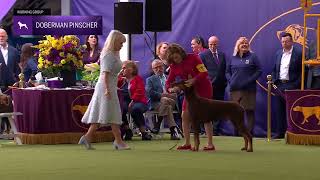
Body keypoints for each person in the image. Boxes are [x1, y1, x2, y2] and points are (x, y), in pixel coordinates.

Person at [78, 30, 129, 150]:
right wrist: (107, 89)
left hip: (110, 86)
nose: (122, 46)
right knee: (112, 114)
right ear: (114, 41)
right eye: (120, 43)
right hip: (105, 87)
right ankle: (118, 141)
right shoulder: (107, 54)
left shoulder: (114, 54)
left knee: (105, 114)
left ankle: (87, 137)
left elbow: (112, 72)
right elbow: (105, 74)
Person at [165, 43, 214, 151]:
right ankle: (187, 143)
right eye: (173, 59)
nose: (176, 60)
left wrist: (194, 80)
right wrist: (171, 89)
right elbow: (168, 83)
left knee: (206, 116)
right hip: (190, 92)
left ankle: (210, 144)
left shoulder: (193, 58)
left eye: (177, 57)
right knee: (185, 115)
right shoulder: (173, 66)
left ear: (180, 53)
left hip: (203, 88)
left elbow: (204, 72)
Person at [226, 37, 262, 136]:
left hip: (249, 89)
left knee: (249, 111)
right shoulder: (233, 57)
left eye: (246, 43)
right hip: (235, 89)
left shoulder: (253, 56)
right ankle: (236, 134)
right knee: (235, 112)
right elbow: (227, 72)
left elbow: (259, 71)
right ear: (238, 45)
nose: (244, 44)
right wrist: (231, 81)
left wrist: (249, 80)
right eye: (242, 43)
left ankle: (248, 133)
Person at [272, 33, 302, 138]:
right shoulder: (278, 53)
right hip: (279, 86)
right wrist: (275, 82)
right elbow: (275, 69)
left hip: (292, 86)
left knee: (292, 111)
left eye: (287, 41)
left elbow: (302, 72)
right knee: (279, 110)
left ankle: (292, 133)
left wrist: (296, 84)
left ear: (292, 41)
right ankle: (280, 133)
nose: (284, 43)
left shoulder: (299, 53)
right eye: (283, 41)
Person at [146, 59, 180, 140]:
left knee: (166, 100)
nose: (158, 69)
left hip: (171, 100)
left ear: (163, 67)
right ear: (153, 69)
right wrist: (162, 95)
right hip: (157, 103)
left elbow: (177, 90)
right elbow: (150, 93)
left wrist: (174, 90)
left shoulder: (170, 78)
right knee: (166, 104)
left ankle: (157, 125)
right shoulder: (150, 80)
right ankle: (173, 131)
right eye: (155, 68)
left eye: (160, 66)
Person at [199, 36, 227, 135]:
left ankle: (215, 129)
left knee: (218, 108)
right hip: (208, 86)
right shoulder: (202, 55)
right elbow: (201, 70)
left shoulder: (222, 55)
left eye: (214, 44)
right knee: (206, 108)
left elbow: (224, 70)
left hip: (220, 87)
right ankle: (204, 130)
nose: (212, 46)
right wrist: (208, 82)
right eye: (211, 44)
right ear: (208, 44)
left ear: (217, 44)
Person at [121, 60, 152, 140]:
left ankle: (143, 132)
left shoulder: (138, 79)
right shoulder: (122, 80)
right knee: (119, 110)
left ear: (131, 70)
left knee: (136, 109)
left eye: (124, 68)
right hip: (126, 101)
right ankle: (127, 130)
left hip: (139, 101)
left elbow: (140, 91)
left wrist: (133, 101)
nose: (122, 70)